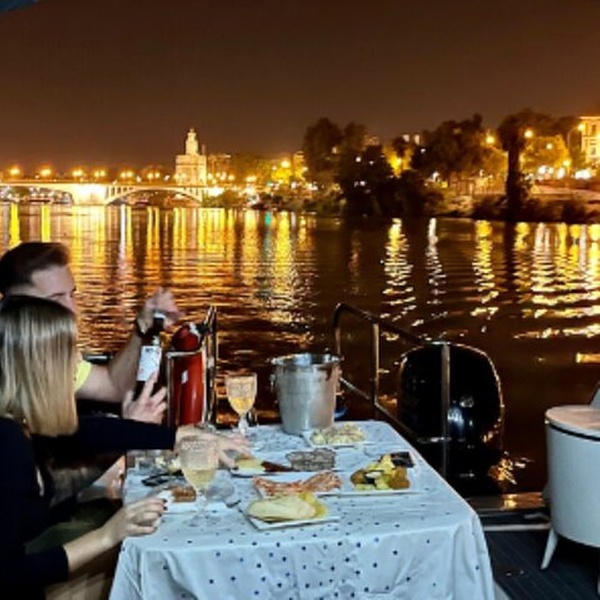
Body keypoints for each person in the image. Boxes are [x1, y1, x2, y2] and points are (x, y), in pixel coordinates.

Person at [0, 295, 247, 598]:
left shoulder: (22, 425)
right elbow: (9, 575)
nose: (78, 362)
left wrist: (179, 438)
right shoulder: (8, 443)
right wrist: (107, 535)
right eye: (69, 351)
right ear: (38, 368)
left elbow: (94, 432)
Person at [0, 241, 183, 424]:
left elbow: (112, 386)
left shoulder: (57, 356)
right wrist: (131, 432)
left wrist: (142, 328)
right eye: (55, 300)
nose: (73, 309)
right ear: (16, 306)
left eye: (72, 295)